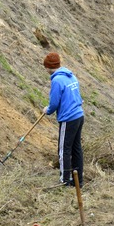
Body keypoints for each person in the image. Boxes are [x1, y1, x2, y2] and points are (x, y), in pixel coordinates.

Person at [42, 52, 84, 187]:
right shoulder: (71, 76)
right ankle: (78, 181)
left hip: (68, 118)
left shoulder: (57, 80)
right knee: (76, 148)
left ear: (49, 67)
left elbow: (54, 103)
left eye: (45, 67)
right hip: (79, 115)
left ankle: (64, 180)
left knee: (63, 150)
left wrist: (47, 110)